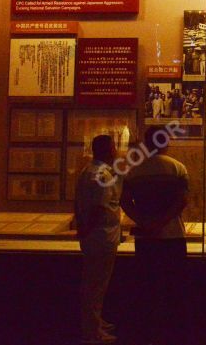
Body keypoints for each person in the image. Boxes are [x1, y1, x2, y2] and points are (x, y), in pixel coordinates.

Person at [121, 126, 189, 345]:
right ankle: (175, 334)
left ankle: (146, 334)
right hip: (172, 236)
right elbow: (182, 201)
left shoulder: (133, 170)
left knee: (146, 289)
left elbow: (125, 201)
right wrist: (162, 222)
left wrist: (145, 222)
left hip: (146, 238)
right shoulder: (177, 168)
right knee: (174, 289)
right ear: (165, 142)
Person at [75, 135, 122, 344]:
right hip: (101, 236)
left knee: (93, 285)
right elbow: (99, 207)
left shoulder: (87, 171)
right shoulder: (103, 175)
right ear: (107, 150)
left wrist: (82, 230)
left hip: (93, 236)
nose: (116, 151)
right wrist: (89, 230)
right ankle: (92, 332)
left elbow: (78, 204)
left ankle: (96, 322)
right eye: (113, 147)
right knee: (96, 286)